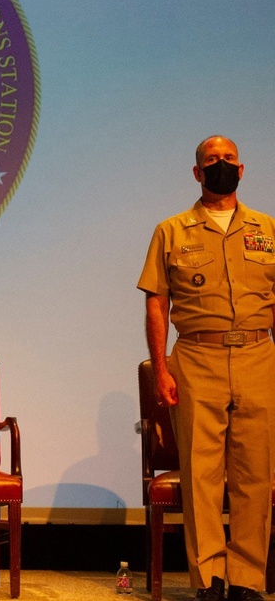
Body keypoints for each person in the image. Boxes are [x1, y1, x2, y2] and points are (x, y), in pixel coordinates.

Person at [138, 135, 275, 601]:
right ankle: (209, 578)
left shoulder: (268, 229)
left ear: (242, 168)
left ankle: (248, 578)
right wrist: (161, 369)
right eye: (211, 160)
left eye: (228, 160)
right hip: (197, 356)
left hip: (259, 355)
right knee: (201, 474)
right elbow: (157, 304)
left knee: (256, 474)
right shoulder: (171, 230)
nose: (221, 165)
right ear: (197, 173)